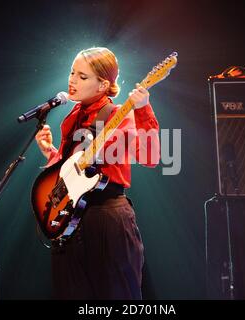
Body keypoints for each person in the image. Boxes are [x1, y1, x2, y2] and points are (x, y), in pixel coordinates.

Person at [35, 47, 160, 300]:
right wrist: (50, 152)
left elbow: (150, 158)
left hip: (108, 217)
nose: (72, 80)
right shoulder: (71, 119)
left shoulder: (117, 115)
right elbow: (69, 170)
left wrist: (143, 110)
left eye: (82, 76)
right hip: (71, 219)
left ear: (103, 84)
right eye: (72, 72)